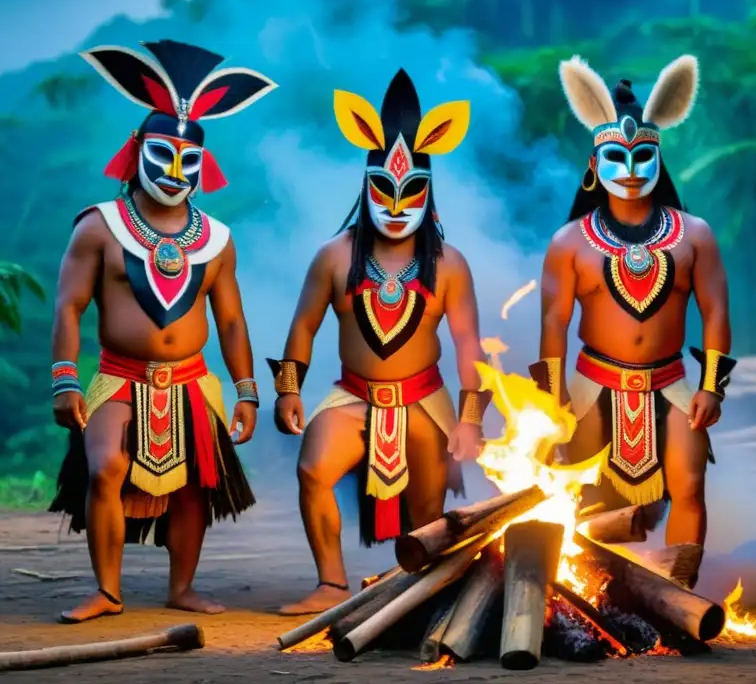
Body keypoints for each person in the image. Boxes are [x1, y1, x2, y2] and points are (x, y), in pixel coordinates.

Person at [49, 40, 276, 623]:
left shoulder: (218, 239)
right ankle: (107, 590)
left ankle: (182, 587)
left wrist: (247, 391)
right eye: (162, 154)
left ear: (205, 165)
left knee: (196, 485)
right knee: (105, 468)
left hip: (193, 380)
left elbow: (230, 319)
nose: (174, 171)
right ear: (135, 151)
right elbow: (69, 307)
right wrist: (65, 380)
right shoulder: (99, 227)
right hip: (118, 376)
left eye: (187, 159)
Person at [269, 69, 490, 615]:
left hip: (425, 399)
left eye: (410, 191)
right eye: (383, 191)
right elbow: (303, 327)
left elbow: (470, 347)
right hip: (353, 396)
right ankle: (331, 584)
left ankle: (417, 591)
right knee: (313, 468)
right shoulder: (333, 255)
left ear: (429, 192)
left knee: (428, 508)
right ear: (365, 189)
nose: (395, 204)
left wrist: (470, 419)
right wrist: (288, 391)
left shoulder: (451, 264)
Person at [531, 55, 735, 588]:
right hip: (592, 381)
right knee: (583, 490)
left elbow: (715, 313)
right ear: (595, 166)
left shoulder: (695, 234)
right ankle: (592, 593)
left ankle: (678, 595)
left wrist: (712, 387)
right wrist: (550, 402)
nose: (630, 169)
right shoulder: (569, 241)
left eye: (643, 155)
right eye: (616, 157)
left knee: (689, 486)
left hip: (671, 384)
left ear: (658, 159)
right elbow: (553, 324)